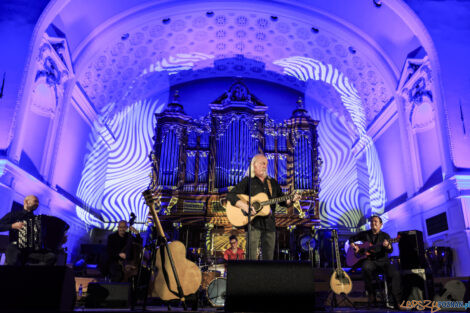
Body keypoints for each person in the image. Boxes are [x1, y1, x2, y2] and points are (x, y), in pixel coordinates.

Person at [227, 154, 301, 260]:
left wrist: (292, 199)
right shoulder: (248, 181)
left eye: (266, 164)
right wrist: (244, 206)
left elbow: (283, 201)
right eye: (262, 163)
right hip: (253, 224)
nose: (265, 166)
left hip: (270, 224)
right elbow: (231, 195)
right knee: (251, 258)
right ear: (254, 165)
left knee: (268, 259)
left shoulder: (273, 183)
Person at [349, 215, 403, 308]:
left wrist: (388, 246)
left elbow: (390, 250)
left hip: (383, 262)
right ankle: (371, 295)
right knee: (365, 267)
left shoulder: (385, 236)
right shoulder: (365, 234)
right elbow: (351, 239)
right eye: (372, 221)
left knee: (395, 273)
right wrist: (354, 247)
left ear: (381, 224)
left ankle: (396, 301)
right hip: (370, 261)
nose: (373, 223)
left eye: (375, 221)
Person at [0, 195, 56, 265]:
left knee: (51, 256)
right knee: (14, 254)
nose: (37, 204)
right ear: (26, 201)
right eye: (35, 201)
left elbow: (43, 238)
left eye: (38, 202)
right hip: (15, 247)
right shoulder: (14, 214)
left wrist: (57, 241)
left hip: (31, 250)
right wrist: (12, 226)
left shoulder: (37, 219)